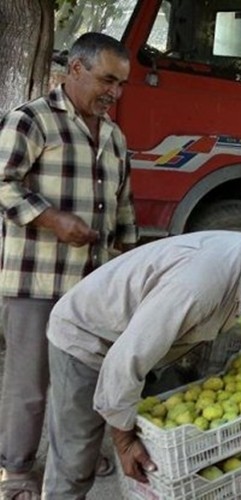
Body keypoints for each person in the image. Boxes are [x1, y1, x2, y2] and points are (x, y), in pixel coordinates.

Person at [41, 221, 241, 497]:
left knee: (134, 426)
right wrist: (124, 441)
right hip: (87, 336)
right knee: (76, 456)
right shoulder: (199, 287)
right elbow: (126, 359)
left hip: (135, 338)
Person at [0, 32, 137, 499]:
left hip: (92, 288)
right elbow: (3, 183)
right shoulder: (31, 120)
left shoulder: (115, 136)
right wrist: (53, 219)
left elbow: (123, 210)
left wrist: (127, 265)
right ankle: (17, 470)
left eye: (121, 84)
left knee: (82, 381)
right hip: (37, 279)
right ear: (74, 70)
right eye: (107, 80)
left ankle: (75, 456)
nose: (114, 93)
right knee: (30, 382)